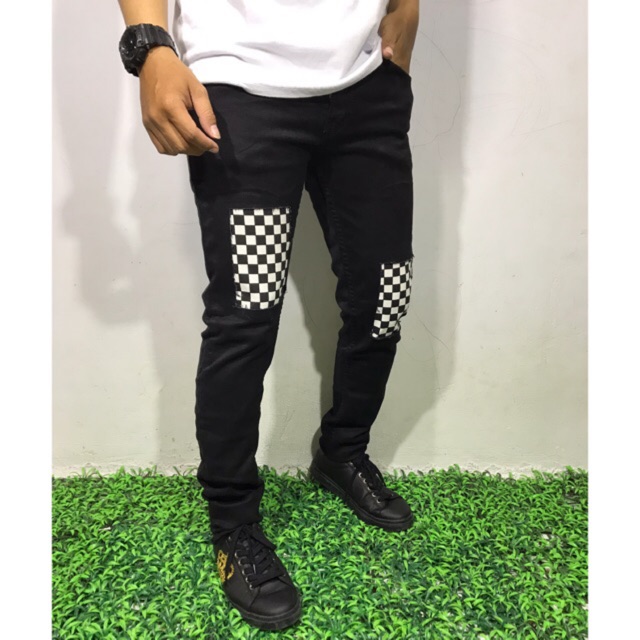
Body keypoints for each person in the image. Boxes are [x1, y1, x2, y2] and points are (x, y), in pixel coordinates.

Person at [117, 0, 419, 631]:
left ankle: (342, 452)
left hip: (367, 88)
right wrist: (149, 43)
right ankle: (233, 523)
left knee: (385, 295)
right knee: (247, 315)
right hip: (241, 92)